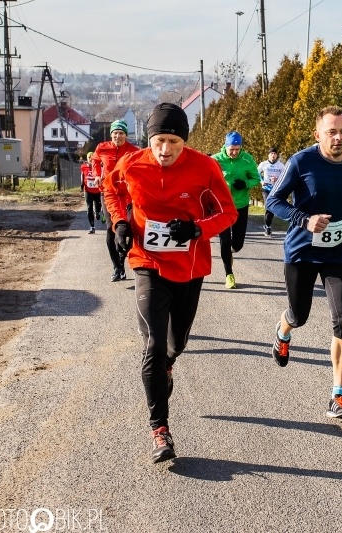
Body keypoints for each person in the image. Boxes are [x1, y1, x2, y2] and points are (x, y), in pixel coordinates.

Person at [103, 103, 237, 463]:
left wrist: (197, 229)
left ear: (184, 141)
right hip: (147, 263)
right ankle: (159, 429)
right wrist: (120, 223)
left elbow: (229, 212)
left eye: (174, 141)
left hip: (189, 266)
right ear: (149, 139)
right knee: (153, 345)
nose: (165, 150)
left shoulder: (205, 167)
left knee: (175, 346)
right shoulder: (131, 163)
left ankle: (168, 365)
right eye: (160, 140)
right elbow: (111, 190)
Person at [266, 106, 342, 420]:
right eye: (331, 132)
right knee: (299, 315)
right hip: (301, 250)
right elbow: (273, 200)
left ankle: (338, 395)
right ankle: (283, 330)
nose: (338, 138)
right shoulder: (302, 161)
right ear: (318, 135)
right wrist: (304, 219)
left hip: (338, 252)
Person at [211, 131, 261, 289]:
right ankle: (229, 274)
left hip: (241, 205)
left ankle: (231, 252)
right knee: (224, 241)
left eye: (237, 149)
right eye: (231, 149)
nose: (234, 152)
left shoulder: (247, 159)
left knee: (237, 244)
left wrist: (245, 183)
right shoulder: (215, 160)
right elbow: (206, 178)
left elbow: (256, 178)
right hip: (222, 206)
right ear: (225, 146)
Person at [95, 119, 140, 281]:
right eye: (115, 133)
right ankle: (117, 267)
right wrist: (97, 173)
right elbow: (95, 160)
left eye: (121, 133)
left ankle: (121, 259)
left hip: (128, 194)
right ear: (111, 134)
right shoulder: (102, 147)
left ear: (126, 135)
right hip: (108, 192)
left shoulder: (133, 151)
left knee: (130, 228)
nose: (118, 136)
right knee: (110, 228)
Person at [257, 146, 285, 236]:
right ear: (268, 155)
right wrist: (261, 181)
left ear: (277, 155)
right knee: (268, 205)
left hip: (276, 189)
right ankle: (268, 226)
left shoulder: (281, 165)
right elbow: (256, 173)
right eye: (271, 153)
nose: (273, 155)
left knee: (272, 207)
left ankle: (267, 225)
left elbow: (285, 176)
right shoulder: (263, 164)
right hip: (266, 188)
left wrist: (277, 179)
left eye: (275, 154)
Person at [80, 152, 101, 234]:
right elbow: (82, 176)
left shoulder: (99, 166)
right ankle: (92, 227)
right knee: (89, 208)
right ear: (87, 158)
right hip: (88, 190)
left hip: (97, 191)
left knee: (98, 207)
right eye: (89, 158)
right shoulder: (83, 167)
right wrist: (81, 185)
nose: (91, 160)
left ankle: (97, 212)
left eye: (92, 158)